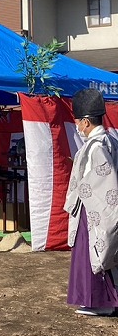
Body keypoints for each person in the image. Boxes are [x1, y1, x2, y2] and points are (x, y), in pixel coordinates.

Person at [64, 88, 118, 316]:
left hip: (96, 208)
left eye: (77, 122)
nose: (76, 126)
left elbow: (105, 182)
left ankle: (101, 302)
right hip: (95, 207)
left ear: (86, 122)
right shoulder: (110, 140)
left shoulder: (96, 147)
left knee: (97, 251)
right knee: (99, 252)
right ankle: (101, 300)